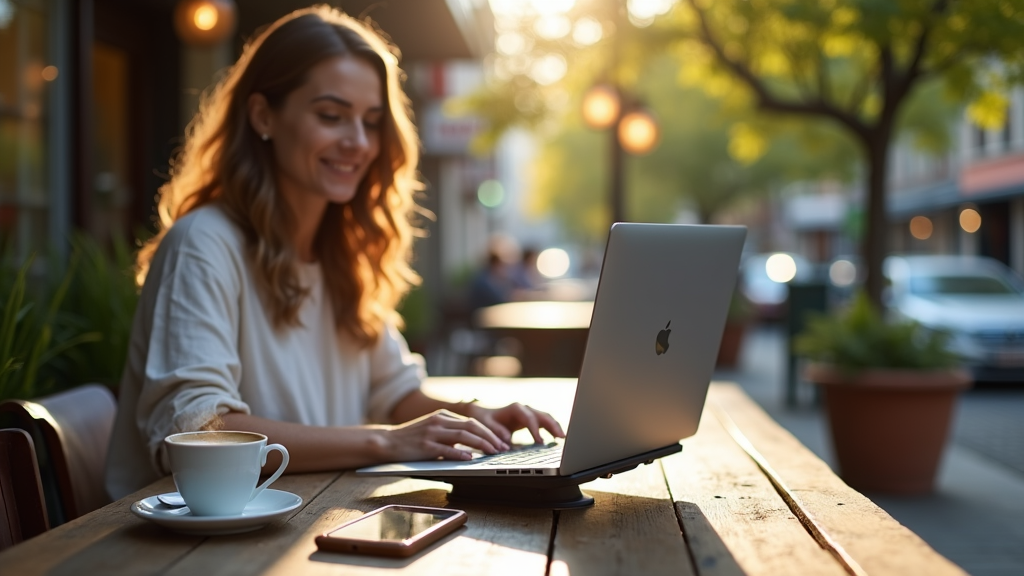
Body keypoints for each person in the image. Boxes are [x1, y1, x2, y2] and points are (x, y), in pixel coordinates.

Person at [105, 6, 563, 500]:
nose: (358, 143)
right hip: (190, 536)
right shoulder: (203, 243)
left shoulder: (343, 252)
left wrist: (472, 417)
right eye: (330, 116)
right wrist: (385, 442)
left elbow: (395, 394)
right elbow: (199, 430)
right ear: (263, 115)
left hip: (307, 516)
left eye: (372, 122)